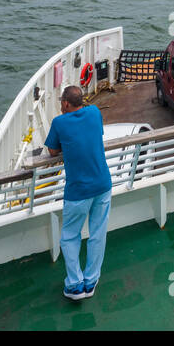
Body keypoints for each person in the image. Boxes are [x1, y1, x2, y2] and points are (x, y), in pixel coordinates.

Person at [44, 85, 113, 301]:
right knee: (97, 233)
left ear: (65, 103)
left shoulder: (59, 122)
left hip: (78, 190)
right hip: (102, 184)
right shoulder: (94, 112)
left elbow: (53, 151)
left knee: (70, 236)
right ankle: (91, 281)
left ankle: (75, 285)